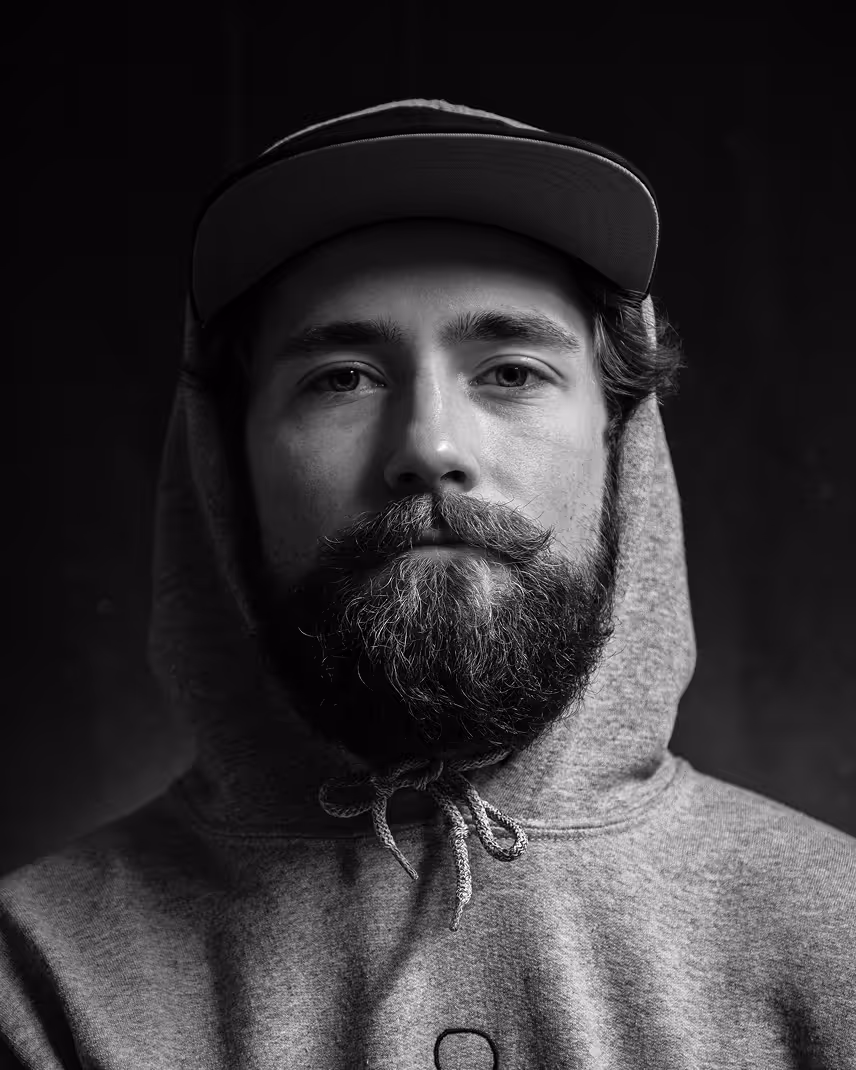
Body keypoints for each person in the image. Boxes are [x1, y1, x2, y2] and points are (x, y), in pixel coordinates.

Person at [1, 98, 853, 1069]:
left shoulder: (836, 946)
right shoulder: (39, 981)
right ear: (224, 460)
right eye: (342, 377)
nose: (430, 447)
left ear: (622, 442)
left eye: (512, 371)